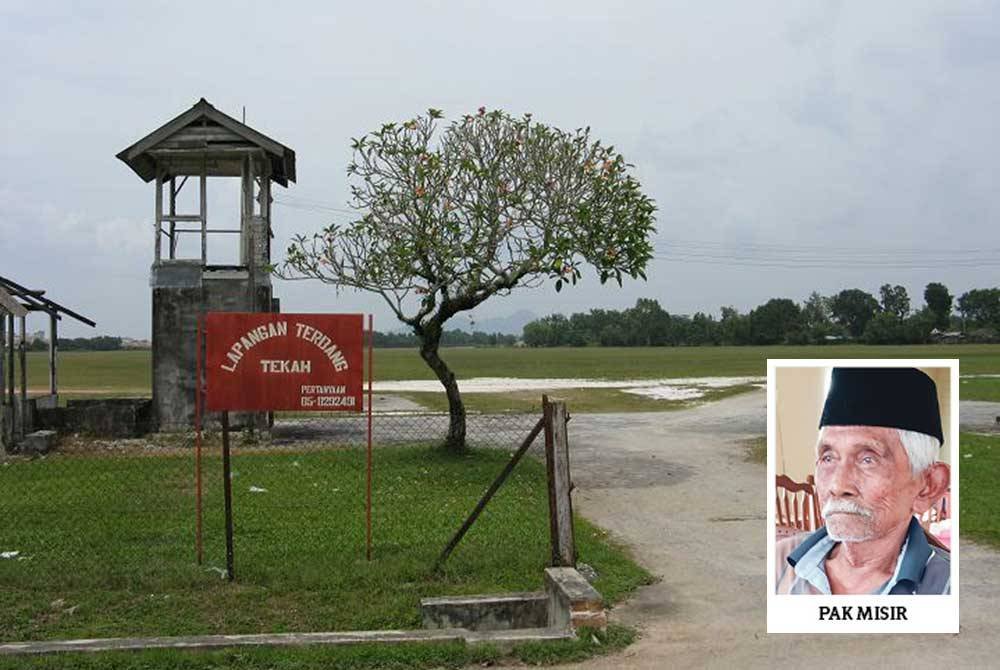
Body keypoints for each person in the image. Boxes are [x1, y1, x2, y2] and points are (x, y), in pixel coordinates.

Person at [775, 367, 951, 595]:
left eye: (868, 459)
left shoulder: (949, 588)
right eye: (828, 457)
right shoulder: (778, 562)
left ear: (928, 486)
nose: (837, 486)